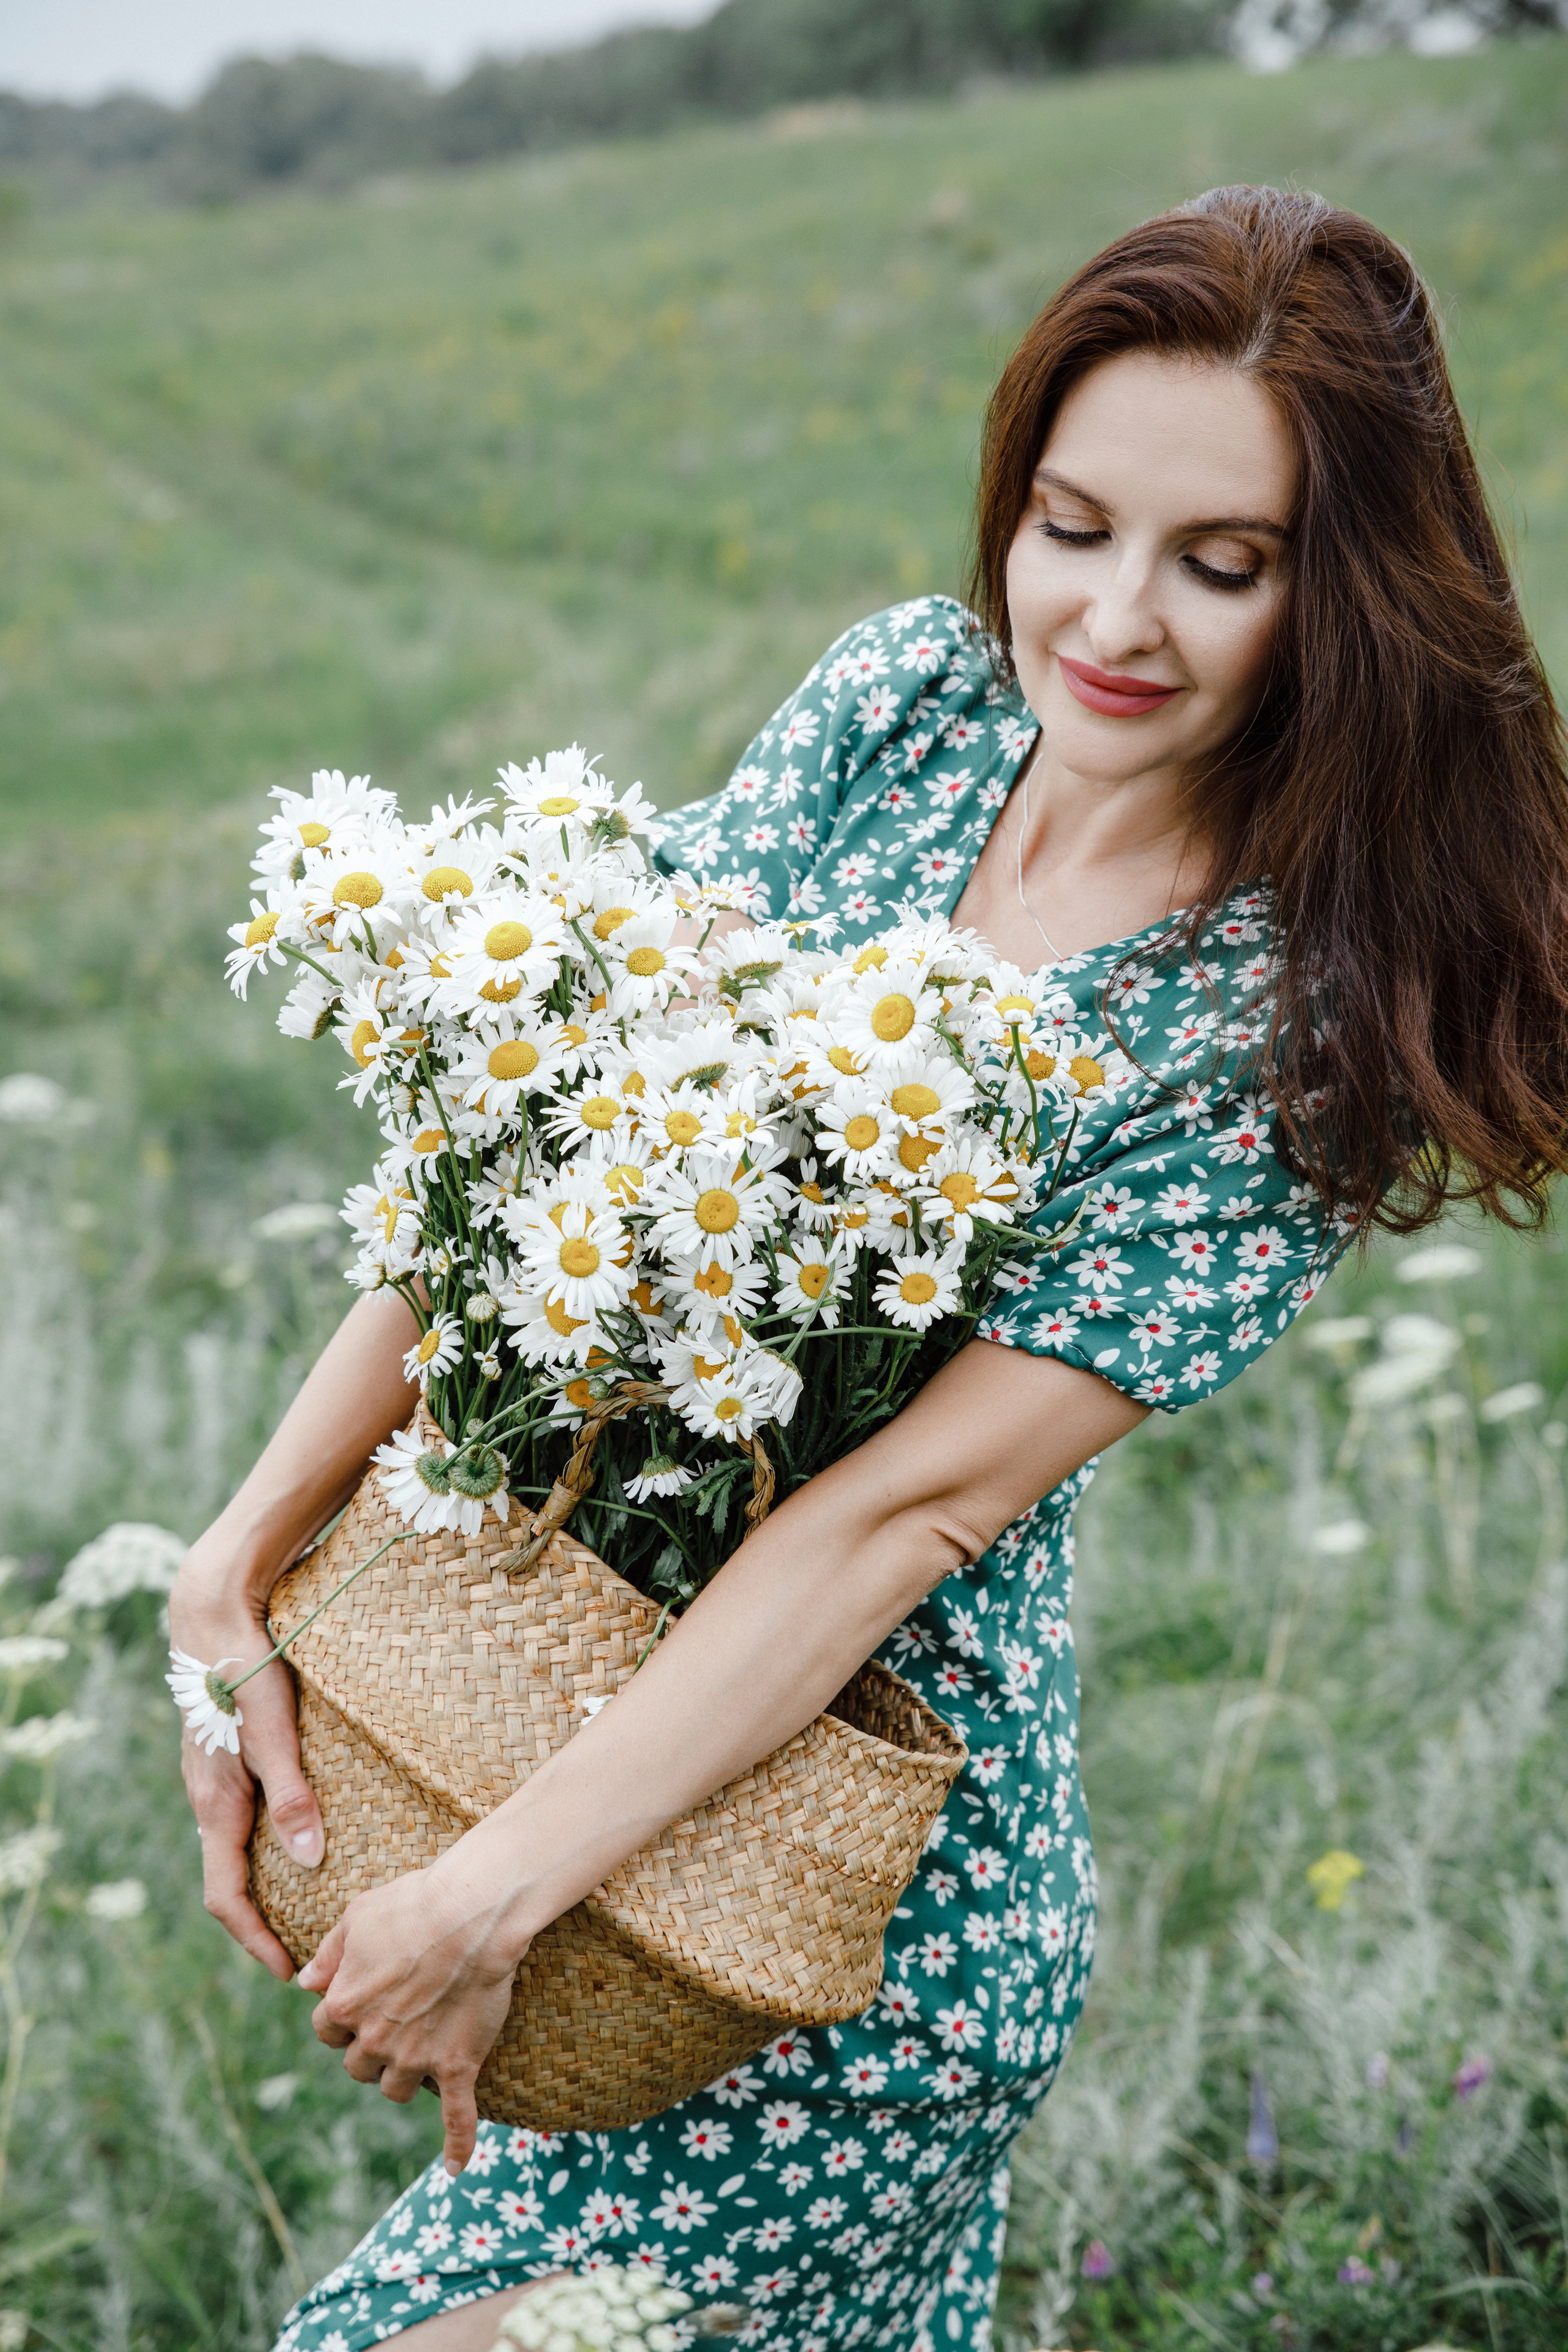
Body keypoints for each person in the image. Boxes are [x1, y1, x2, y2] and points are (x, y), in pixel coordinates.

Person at [170, 185, 1568, 2352]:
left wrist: (487, 1888)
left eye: (1226, 565)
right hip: (576, 1791)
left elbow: (904, 1507)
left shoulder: (1287, 1030)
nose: (1113, 617)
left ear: (1348, 600)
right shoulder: (905, 704)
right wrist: (234, 1561)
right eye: (1074, 524)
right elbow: (568, 1137)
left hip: (845, 1919)